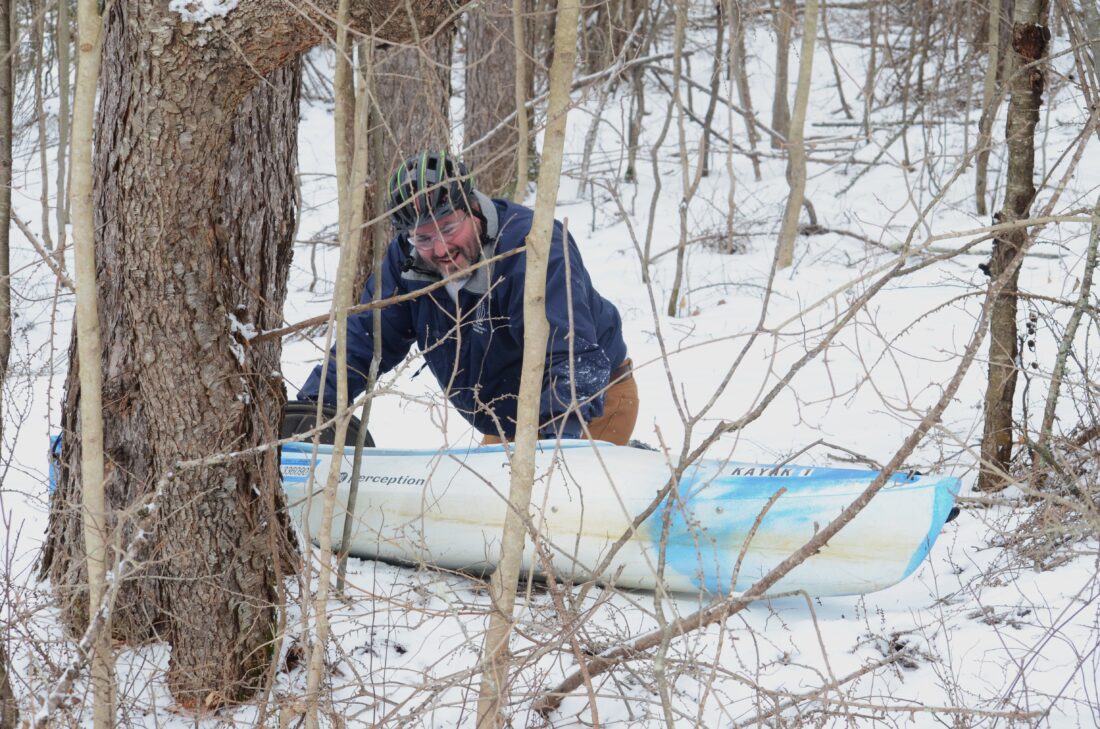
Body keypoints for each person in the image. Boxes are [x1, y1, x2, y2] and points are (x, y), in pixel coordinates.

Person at [298, 151, 638, 445]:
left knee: (548, 515)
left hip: (592, 403)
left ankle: (629, 463)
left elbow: (573, 358)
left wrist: (552, 451)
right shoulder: (405, 264)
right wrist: (314, 408)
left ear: (473, 207)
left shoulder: (532, 249)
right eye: (423, 238)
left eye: (448, 229)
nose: (441, 249)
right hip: (510, 417)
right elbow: (365, 342)